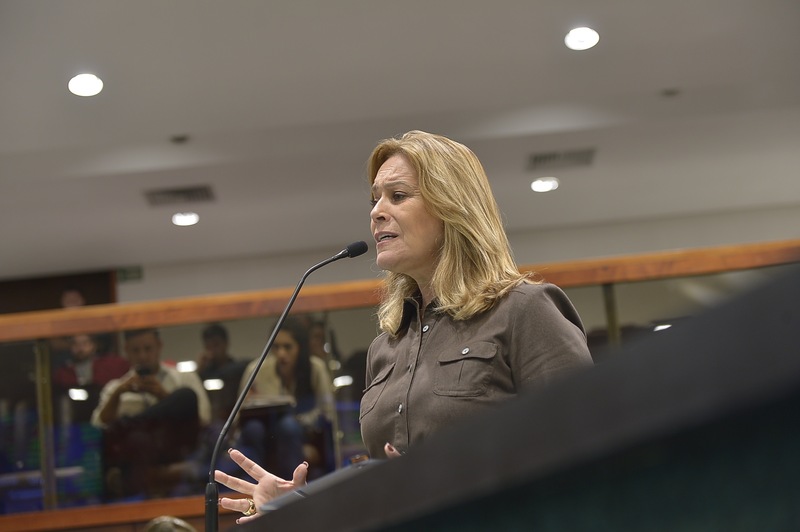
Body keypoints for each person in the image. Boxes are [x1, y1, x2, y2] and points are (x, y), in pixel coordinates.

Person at [214, 130, 593, 523]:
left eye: (397, 196)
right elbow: (386, 492)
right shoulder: (385, 348)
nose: (377, 212)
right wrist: (304, 508)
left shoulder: (526, 310)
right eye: (374, 199)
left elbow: (588, 451)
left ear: (452, 206)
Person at [91, 328, 211, 498]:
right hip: (140, 451)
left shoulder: (184, 378)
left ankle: (130, 423)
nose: (143, 356)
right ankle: (132, 428)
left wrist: (164, 396)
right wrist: (118, 395)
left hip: (178, 446)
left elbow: (204, 419)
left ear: (159, 347)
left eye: (148, 349)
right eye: (136, 351)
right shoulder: (115, 388)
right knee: (137, 438)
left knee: (186, 395)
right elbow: (97, 428)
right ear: (126, 351)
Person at [232, 316, 335, 480]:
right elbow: (239, 415)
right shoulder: (256, 369)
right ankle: (253, 488)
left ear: (300, 347)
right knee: (253, 429)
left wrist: (303, 428)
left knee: (288, 426)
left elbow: (327, 412)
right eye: (276, 347)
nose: (281, 354)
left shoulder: (315, 368)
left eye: (287, 347)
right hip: (263, 434)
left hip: (302, 433)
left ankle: (292, 487)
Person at [52, 333, 130, 423]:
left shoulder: (110, 365)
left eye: (85, 343)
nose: (80, 348)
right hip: (76, 416)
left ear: (94, 345)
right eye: (75, 344)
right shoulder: (63, 373)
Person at [196, 323, 250, 424]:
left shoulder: (238, 369)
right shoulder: (204, 373)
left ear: (226, 343)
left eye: (216, 345)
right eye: (208, 347)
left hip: (236, 418)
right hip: (213, 421)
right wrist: (199, 371)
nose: (212, 351)